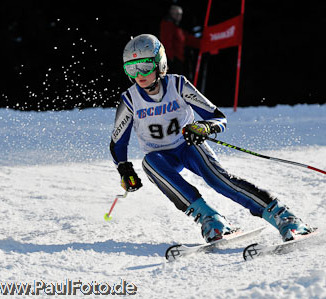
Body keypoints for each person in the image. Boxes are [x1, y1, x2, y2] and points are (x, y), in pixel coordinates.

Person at [109, 34, 314, 243]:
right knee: (149, 163)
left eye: (144, 66)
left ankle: (283, 216)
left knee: (218, 180)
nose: (139, 74)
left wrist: (203, 127)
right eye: (131, 68)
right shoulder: (130, 100)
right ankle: (211, 219)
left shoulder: (178, 85)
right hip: (162, 157)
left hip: (188, 147)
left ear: (159, 64)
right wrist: (124, 169)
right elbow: (118, 142)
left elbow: (218, 118)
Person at [159, 5, 200, 78]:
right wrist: (170, 59)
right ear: (171, 13)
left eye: (180, 14)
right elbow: (166, 42)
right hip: (173, 60)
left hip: (179, 59)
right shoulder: (167, 24)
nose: (179, 16)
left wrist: (202, 43)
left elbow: (186, 39)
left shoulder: (177, 27)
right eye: (177, 14)